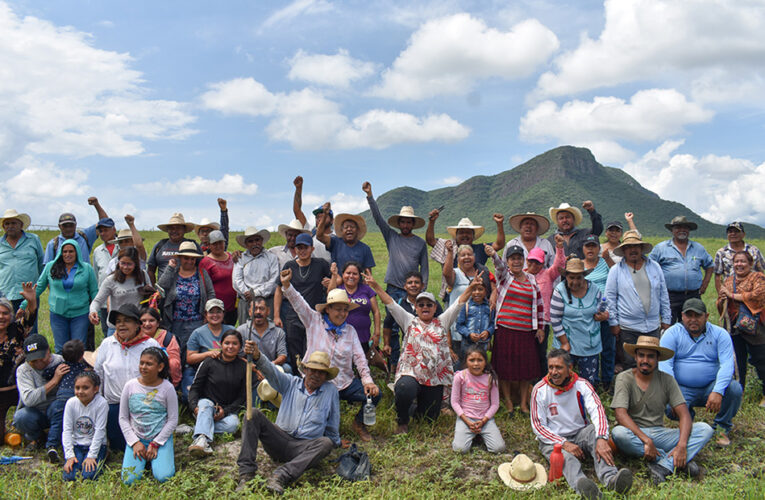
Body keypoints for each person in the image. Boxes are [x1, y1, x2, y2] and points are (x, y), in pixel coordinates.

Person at [365, 270, 482, 434]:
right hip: (411, 373)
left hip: (433, 378)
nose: (425, 307)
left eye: (429, 305)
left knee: (428, 418)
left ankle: (412, 407)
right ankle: (402, 420)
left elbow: (459, 303)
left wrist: (471, 287)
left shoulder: (442, 321)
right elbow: (390, 303)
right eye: (421, 305)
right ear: (416, 308)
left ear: (435, 307)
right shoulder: (409, 320)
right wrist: (375, 286)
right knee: (405, 388)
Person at [280, 268, 380, 441]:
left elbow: (360, 358)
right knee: (319, 409)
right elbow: (298, 302)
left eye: (345, 310)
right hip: (318, 381)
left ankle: (359, 423)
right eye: (337, 309)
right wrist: (287, 284)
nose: (342, 314)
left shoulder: (350, 331)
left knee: (375, 394)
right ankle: (324, 433)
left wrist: (367, 381)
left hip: (344, 382)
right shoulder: (314, 321)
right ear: (328, 309)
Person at [530, 349, 633, 499]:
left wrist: (602, 438)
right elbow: (538, 426)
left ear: (569, 368)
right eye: (551, 367)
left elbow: (597, 411)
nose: (554, 372)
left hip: (580, 433)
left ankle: (611, 479)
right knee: (566, 458)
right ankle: (584, 488)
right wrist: (563, 443)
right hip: (553, 440)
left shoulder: (582, 385)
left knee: (596, 435)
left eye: (558, 367)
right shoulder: (540, 390)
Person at [236, 347, 339, 495]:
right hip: (279, 440)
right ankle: (246, 475)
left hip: (304, 448)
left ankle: (281, 476)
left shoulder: (330, 391)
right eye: (313, 370)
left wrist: (336, 441)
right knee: (253, 413)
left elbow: (332, 423)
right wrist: (258, 356)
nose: (316, 375)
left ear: (326, 376)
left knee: (326, 443)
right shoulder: (290, 383)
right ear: (306, 370)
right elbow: (271, 371)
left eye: (321, 372)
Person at [611, 336, 713, 484]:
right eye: (641, 355)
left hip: (660, 433)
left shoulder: (667, 380)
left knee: (705, 429)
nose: (645, 360)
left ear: (658, 359)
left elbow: (684, 414)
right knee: (618, 433)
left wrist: (682, 445)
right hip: (634, 434)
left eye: (651, 356)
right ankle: (676, 461)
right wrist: (646, 440)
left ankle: (664, 465)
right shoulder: (624, 378)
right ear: (635, 356)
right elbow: (620, 414)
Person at [660, 298, 742, 447]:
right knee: (667, 405)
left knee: (734, 389)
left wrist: (718, 391)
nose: (693, 320)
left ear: (707, 316)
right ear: (682, 316)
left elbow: (727, 365)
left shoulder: (720, 334)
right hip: (682, 388)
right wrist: (672, 394)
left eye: (697, 316)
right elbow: (665, 366)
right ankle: (688, 425)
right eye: (688, 315)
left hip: (710, 387)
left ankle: (721, 428)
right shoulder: (671, 333)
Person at [94, 304, 160, 452]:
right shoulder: (107, 344)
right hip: (114, 405)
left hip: (143, 405)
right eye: (118, 321)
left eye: (126, 320)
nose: (121, 324)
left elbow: (160, 376)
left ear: (137, 324)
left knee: (144, 447)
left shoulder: (150, 344)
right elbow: (98, 374)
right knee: (120, 448)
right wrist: (99, 402)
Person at [488, 244, 544, 414]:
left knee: (525, 369)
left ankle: (524, 404)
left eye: (519, 258)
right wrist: (493, 255)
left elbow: (540, 305)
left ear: (524, 260)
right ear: (508, 262)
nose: (516, 261)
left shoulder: (532, 279)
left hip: (526, 331)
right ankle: (510, 403)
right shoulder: (505, 276)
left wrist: (540, 327)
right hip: (505, 330)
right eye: (513, 259)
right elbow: (498, 265)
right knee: (505, 368)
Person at [605, 231, 671, 370]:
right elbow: (610, 298)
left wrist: (666, 319)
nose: (632, 250)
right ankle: (633, 391)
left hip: (652, 326)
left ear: (641, 248)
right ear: (623, 250)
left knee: (652, 362)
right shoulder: (616, 270)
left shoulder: (655, 267)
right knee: (630, 362)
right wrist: (614, 323)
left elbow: (663, 294)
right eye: (628, 247)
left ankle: (651, 390)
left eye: (636, 246)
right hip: (628, 327)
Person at [25, 239, 98, 353]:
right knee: (60, 347)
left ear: (77, 252)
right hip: (58, 313)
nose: (67, 254)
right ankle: (62, 369)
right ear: (60, 253)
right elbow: (38, 287)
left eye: (71, 251)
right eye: (64, 252)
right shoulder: (51, 267)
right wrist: (23, 305)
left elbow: (94, 291)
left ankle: (78, 370)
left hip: (80, 313)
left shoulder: (86, 268)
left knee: (78, 347)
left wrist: (95, 310)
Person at [272, 233, 330, 372]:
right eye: (299, 248)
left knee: (312, 350)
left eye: (305, 247)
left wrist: (330, 282)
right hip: (293, 316)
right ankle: (297, 381)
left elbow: (337, 279)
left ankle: (311, 380)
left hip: (314, 317)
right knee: (295, 351)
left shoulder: (321, 264)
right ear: (295, 249)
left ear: (312, 249)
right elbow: (279, 290)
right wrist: (276, 315)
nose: (302, 251)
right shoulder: (289, 265)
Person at [119, 347, 178, 485]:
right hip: (137, 438)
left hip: (159, 439)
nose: (143, 367)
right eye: (141, 363)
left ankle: (156, 459)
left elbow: (173, 419)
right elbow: (123, 418)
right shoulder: (130, 386)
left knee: (164, 477)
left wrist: (156, 443)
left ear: (160, 367)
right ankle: (145, 459)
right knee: (129, 479)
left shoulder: (167, 388)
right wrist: (135, 442)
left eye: (149, 364)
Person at [363, 181, 429, 302]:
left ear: (413, 224)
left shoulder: (420, 243)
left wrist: (423, 290)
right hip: (393, 288)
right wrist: (370, 196)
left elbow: (424, 268)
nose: (405, 225)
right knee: (392, 319)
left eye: (409, 222)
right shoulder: (391, 237)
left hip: (412, 289)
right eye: (403, 222)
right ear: (398, 224)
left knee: (410, 319)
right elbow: (378, 219)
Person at [187, 330, 246, 457]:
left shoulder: (243, 366)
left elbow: (242, 397)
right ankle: (202, 441)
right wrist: (194, 407)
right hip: (206, 406)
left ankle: (197, 429)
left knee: (233, 425)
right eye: (227, 343)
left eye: (235, 344)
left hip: (225, 411)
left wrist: (225, 411)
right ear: (221, 344)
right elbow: (195, 388)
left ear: (240, 347)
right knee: (205, 404)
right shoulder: (209, 362)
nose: (230, 347)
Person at [550, 258, 608, 386]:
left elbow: (603, 307)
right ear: (566, 277)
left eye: (579, 278)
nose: (575, 282)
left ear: (584, 276)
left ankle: (584, 406)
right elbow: (555, 319)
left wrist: (603, 315)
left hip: (589, 343)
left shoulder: (595, 289)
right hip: (566, 343)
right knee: (561, 380)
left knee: (587, 383)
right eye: (571, 278)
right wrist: (564, 342)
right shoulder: (560, 290)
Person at [717, 251, 765, 406]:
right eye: (736, 261)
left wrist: (732, 295)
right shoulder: (729, 280)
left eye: (743, 261)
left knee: (761, 360)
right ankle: (739, 392)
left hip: (755, 328)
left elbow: (758, 295)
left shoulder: (758, 277)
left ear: (750, 263)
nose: (739, 264)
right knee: (737, 362)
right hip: (734, 327)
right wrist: (722, 300)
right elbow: (720, 301)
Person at [426, 212, 505, 301]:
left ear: (473, 236)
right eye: (462, 232)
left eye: (468, 232)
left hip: (477, 295)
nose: (465, 235)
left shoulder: (480, 249)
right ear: (456, 236)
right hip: (454, 295)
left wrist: (499, 224)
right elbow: (430, 240)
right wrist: (432, 222)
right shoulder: (449, 247)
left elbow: (499, 244)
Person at [157, 241, 215, 360]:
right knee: (175, 352)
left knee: (194, 353)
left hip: (197, 321)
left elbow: (210, 293)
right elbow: (161, 288)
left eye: (192, 259)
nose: (189, 261)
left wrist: (209, 313)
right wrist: (169, 268)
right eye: (186, 258)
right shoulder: (173, 272)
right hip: (175, 322)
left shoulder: (201, 273)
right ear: (180, 258)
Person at [650, 216, 713, 324]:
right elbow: (649, 267)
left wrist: (705, 284)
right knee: (668, 325)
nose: (682, 230)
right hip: (670, 296)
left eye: (685, 227)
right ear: (672, 230)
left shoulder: (698, 248)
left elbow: (710, 265)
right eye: (678, 227)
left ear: (689, 230)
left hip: (693, 295)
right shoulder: (661, 248)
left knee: (693, 325)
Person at [13, 334, 66, 455]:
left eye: (41, 357)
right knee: (21, 417)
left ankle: (58, 436)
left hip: (57, 410)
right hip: (35, 412)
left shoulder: (61, 361)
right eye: (33, 360)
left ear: (48, 350)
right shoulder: (23, 370)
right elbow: (29, 400)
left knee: (60, 406)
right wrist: (54, 381)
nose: (38, 363)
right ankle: (36, 437)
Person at [382, 271, 443, 372]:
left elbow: (443, 323)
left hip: (432, 347)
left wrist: (448, 345)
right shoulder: (400, 304)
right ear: (405, 286)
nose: (413, 285)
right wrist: (386, 344)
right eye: (410, 283)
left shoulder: (431, 303)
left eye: (416, 282)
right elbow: (387, 324)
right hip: (409, 348)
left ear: (422, 285)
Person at [41, 339, 91, 461]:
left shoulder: (61, 366)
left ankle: (52, 445)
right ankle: (77, 443)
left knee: (57, 422)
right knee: (76, 421)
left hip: (61, 398)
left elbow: (45, 374)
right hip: (76, 397)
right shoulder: (83, 368)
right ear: (81, 356)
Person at [525, 235, 566, 380]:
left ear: (543, 263)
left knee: (540, 354)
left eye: (538, 263)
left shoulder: (548, 275)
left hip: (542, 323)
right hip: (525, 322)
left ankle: (542, 382)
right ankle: (527, 382)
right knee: (526, 354)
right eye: (531, 261)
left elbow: (560, 265)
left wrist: (560, 247)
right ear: (527, 260)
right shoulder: (521, 276)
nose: (534, 265)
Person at [451, 345, 505, 454]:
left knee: (498, 448)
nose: (476, 364)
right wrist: (466, 420)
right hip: (466, 419)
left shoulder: (491, 378)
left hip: (485, 419)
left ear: (485, 361)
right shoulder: (460, 377)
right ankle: (473, 434)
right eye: (472, 360)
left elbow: (495, 404)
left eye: (480, 360)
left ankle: (479, 434)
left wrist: (484, 420)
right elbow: (454, 402)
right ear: (466, 362)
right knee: (460, 450)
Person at [0, 284, 36, 445]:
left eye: (5, 313)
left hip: (19, 390)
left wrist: (31, 301)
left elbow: (30, 317)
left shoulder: (17, 330)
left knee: (29, 427)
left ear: (11, 315)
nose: (1, 317)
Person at [443, 242, 493, 357]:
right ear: (458, 259)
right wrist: (450, 253)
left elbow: (492, 289)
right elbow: (446, 274)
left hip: (479, 331)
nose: (466, 257)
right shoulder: (455, 273)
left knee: (477, 362)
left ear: (474, 257)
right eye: (462, 255)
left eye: (469, 254)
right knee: (459, 363)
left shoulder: (482, 273)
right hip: (459, 328)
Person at [89, 247, 152, 336]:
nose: (125, 267)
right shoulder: (110, 280)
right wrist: (93, 311)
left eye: (129, 264)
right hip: (116, 327)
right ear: (118, 263)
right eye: (123, 263)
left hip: (137, 326)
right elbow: (98, 301)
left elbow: (151, 296)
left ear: (136, 264)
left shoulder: (143, 276)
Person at [0, 209, 43, 332]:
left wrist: (38, 287)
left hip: (29, 293)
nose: (10, 226)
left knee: (30, 329)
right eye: (7, 224)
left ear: (21, 225)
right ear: (3, 226)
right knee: (6, 330)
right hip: (5, 294)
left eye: (14, 223)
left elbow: (41, 264)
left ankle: (31, 352)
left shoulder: (33, 239)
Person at [184, 299, 236, 400]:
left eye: (218, 312)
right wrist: (208, 354)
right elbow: (190, 358)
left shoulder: (232, 330)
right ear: (205, 314)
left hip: (226, 370)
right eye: (211, 312)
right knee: (188, 395)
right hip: (200, 371)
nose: (215, 315)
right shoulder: (197, 333)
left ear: (224, 313)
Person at [582, 235, 615, 390]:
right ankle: (592, 381)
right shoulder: (578, 266)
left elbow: (617, 280)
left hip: (606, 312)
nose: (590, 249)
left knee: (608, 347)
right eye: (587, 246)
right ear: (583, 248)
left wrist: (608, 312)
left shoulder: (605, 263)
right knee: (590, 347)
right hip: (586, 315)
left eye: (594, 246)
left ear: (598, 248)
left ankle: (607, 381)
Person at [62, 371, 108, 481]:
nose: (80, 391)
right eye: (77, 388)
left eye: (85, 388)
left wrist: (92, 456)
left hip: (96, 445)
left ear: (96, 389)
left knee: (89, 476)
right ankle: (79, 458)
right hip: (76, 445)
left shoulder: (101, 403)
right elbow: (67, 430)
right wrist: (69, 456)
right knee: (70, 476)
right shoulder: (71, 403)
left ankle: (104, 454)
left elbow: (100, 431)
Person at [329, 261, 381, 355]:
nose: (351, 276)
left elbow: (376, 311)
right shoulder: (338, 290)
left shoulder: (366, 289)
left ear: (359, 276)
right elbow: (330, 295)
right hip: (341, 337)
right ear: (343, 274)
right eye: (348, 273)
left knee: (362, 364)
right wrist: (333, 275)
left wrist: (377, 333)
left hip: (363, 336)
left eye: (355, 274)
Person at [232, 226, 279, 324]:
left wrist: (256, 293)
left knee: (267, 331)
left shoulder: (271, 258)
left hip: (266, 300)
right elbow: (236, 280)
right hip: (246, 300)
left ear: (261, 241)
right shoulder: (241, 258)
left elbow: (274, 280)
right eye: (250, 241)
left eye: (257, 240)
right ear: (246, 244)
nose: (254, 244)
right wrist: (247, 292)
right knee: (245, 331)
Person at [43, 197, 109, 264]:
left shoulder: (85, 236)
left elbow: (106, 223)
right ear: (59, 226)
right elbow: (47, 268)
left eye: (71, 225)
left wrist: (96, 205)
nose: (68, 228)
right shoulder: (53, 244)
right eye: (65, 226)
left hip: (84, 274)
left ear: (75, 225)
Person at [315, 203, 375, 272]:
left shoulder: (365, 249)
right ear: (341, 231)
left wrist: (367, 282)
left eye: (352, 227)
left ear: (358, 230)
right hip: (338, 282)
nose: (349, 229)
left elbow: (368, 272)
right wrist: (325, 215)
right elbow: (319, 236)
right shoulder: (335, 242)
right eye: (346, 227)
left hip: (357, 282)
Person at [237, 296, 289, 371]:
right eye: (255, 308)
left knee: (287, 368)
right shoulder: (241, 330)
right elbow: (237, 356)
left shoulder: (278, 332)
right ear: (249, 312)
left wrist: (268, 367)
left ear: (268, 311)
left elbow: (283, 355)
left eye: (261, 309)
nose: (258, 312)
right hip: (249, 368)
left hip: (272, 367)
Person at [147, 213, 201, 285]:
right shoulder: (160, 245)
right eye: (171, 228)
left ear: (184, 230)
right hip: (163, 291)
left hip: (187, 290)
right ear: (168, 230)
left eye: (178, 228)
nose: (174, 231)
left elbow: (201, 268)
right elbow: (150, 270)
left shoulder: (192, 246)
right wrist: (153, 289)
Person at [714, 221, 765, 293]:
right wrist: (721, 295)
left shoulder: (754, 250)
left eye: (736, 231)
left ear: (743, 234)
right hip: (730, 292)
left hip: (752, 292)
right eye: (730, 232)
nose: (733, 234)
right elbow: (718, 276)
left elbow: (761, 271)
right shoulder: (721, 253)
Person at [199, 230, 237, 326]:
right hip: (215, 309)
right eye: (214, 244)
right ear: (209, 245)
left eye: (220, 243)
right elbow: (203, 288)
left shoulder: (231, 256)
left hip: (233, 307)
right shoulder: (206, 262)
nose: (218, 246)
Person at [291, 176, 331, 262]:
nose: (320, 219)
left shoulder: (336, 236)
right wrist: (298, 189)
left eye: (324, 216)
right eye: (317, 217)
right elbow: (297, 210)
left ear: (332, 220)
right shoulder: (310, 231)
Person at [139, 307, 181, 387]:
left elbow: (175, 363)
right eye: (143, 321)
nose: (147, 324)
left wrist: (173, 385)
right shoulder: (133, 337)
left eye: (151, 320)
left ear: (158, 323)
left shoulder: (167, 338)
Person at [91, 216, 119, 334]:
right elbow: (97, 276)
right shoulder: (97, 251)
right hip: (103, 301)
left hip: (119, 299)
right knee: (106, 332)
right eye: (100, 231)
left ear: (114, 230)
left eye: (106, 230)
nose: (103, 233)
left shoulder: (123, 246)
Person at [455, 282, 494, 361]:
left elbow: (493, 324)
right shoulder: (466, 306)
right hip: (468, 344)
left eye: (480, 289)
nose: (477, 292)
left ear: (485, 291)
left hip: (483, 344)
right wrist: (469, 334)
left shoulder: (490, 307)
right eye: (474, 289)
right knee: (466, 364)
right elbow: (459, 325)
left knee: (481, 364)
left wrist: (488, 332)